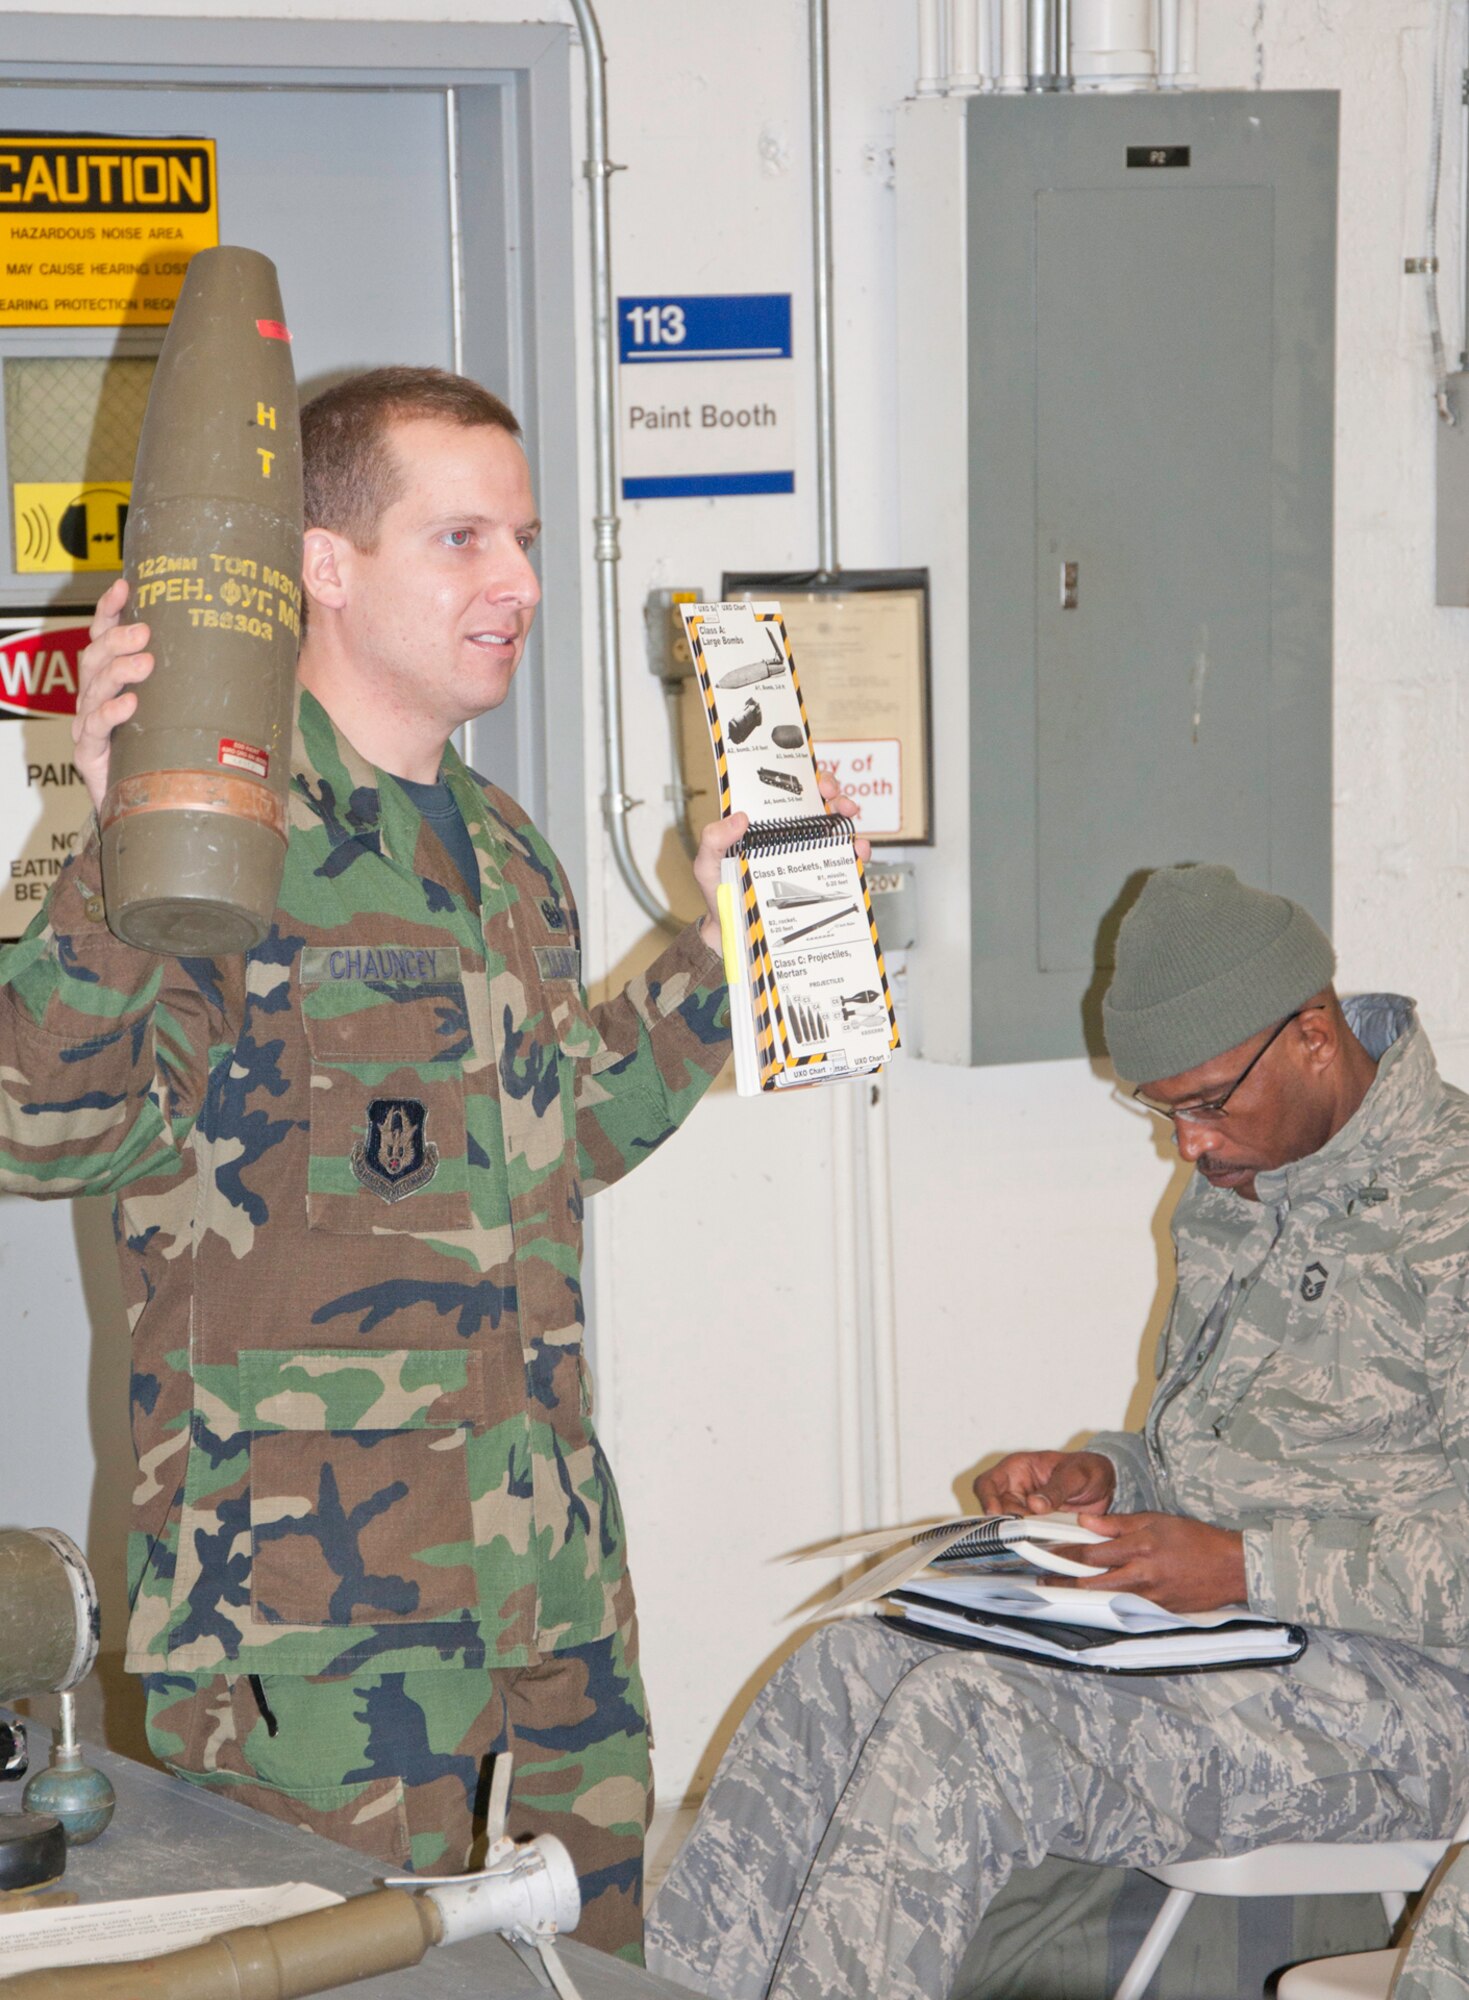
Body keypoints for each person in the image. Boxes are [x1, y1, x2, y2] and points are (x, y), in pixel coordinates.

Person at [0, 366, 834, 1960]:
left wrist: (720, 953)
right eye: (459, 539)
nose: (516, 581)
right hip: (314, 1626)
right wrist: (115, 852)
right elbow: (46, 1124)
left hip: (552, 1601)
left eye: (520, 539)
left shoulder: (503, 848)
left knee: (585, 1981)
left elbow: (560, 1136)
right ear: (324, 562)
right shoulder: (215, 832)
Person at [646, 863, 1469, 1999]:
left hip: (1410, 1696)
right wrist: (1104, 1473)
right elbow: (1203, 1456)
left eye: (1204, 1102)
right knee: (842, 1668)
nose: (1185, 1145)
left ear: (1314, 1038)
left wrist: (1243, 1563)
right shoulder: (1242, 1182)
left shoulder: (1453, 1210)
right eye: (1162, 1108)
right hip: (1223, 1645)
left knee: (962, 1725)